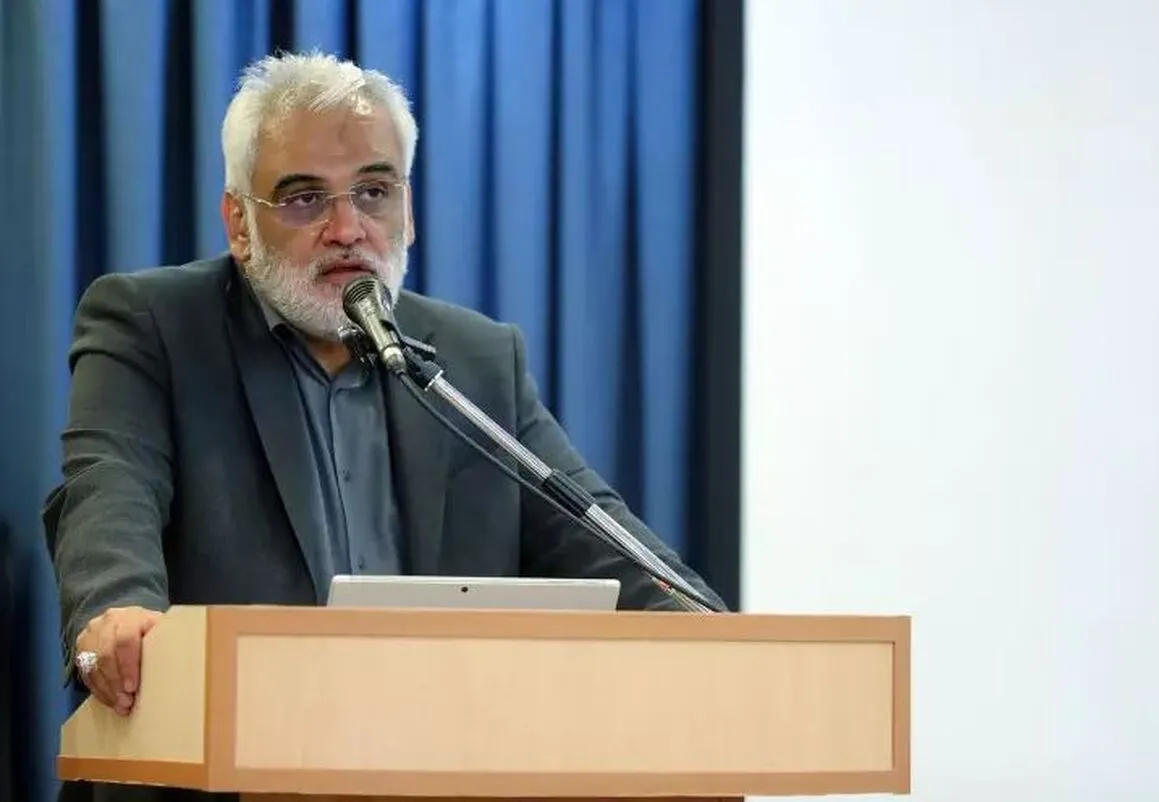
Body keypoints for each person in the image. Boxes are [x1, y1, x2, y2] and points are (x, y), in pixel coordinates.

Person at [42, 51, 723, 801]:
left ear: (409, 208)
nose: (347, 228)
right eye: (304, 198)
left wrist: (713, 640)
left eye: (374, 191)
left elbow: (601, 541)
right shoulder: (155, 326)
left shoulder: (474, 360)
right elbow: (111, 486)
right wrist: (117, 608)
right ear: (239, 222)